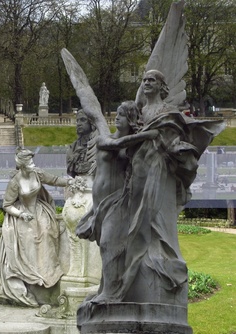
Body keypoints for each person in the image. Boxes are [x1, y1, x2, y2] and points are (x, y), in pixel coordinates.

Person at [79, 70, 224, 305]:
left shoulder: (167, 112)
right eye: (144, 80)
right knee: (124, 232)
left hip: (158, 173)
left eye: (152, 80)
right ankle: (114, 288)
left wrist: (166, 145)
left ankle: (137, 281)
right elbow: (125, 140)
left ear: (161, 86)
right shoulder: (139, 112)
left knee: (149, 226)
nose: (146, 83)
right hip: (134, 177)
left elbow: (173, 138)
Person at [75, 101, 158, 304]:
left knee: (108, 243)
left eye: (122, 115)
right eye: (117, 114)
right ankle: (106, 288)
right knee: (106, 246)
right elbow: (116, 145)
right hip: (100, 204)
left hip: (118, 200)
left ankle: (110, 294)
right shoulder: (105, 138)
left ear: (130, 119)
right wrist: (146, 135)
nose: (117, 118)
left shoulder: (133, 149)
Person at [0, 148, 72, 306]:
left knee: (48, 232)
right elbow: (6, 205)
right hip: (22, 213)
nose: (32, 163)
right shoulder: (15, 182)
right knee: (27, 238)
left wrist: (69, 182)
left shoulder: (38, 173)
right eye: (28, 161)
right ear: (21, 164)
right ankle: (32, 275)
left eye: (32, 160)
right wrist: (21, 215)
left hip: (39, 210)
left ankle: (49, 273)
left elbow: (55, 180)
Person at [66, 110, 97, 177]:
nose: (79, 123)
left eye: (83, 120)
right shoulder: (73, 148)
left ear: (91, 122)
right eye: (77, 121)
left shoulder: (98, 145)